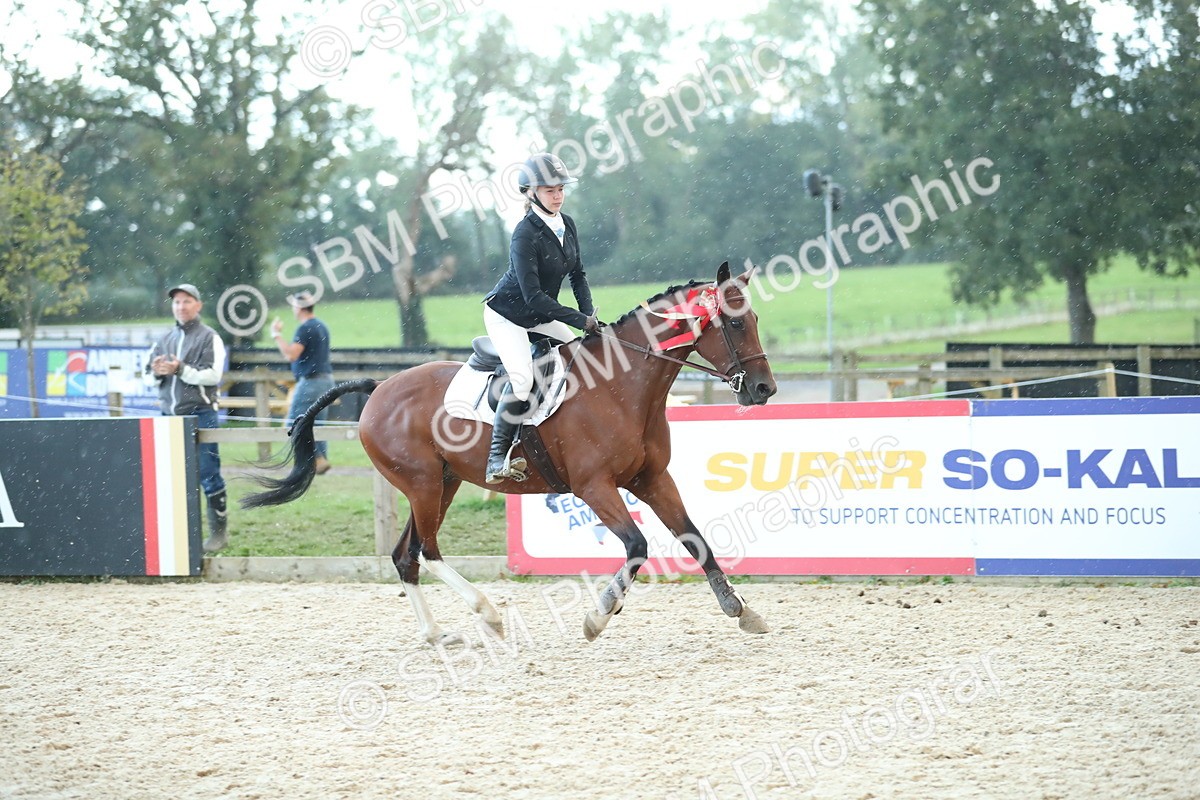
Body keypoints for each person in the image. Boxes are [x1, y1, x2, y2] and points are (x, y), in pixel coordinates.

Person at [481, 152, 603, 483]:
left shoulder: (568, 224)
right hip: (508, 315)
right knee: (522, 380)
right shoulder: (524, 233)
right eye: (550, 190)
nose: (558, 195)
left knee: (584, 357)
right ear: (531, 192)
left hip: (539, 314)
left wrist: (588, 314)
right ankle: (495, 458)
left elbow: (578, 275)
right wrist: (580, 320)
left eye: (560, 188)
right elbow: (533, 295)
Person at [144, 283, 229, 553]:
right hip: (167, 415)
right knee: (170, 477)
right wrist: (158, 371)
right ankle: (177, 535)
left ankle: (218, 534)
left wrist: (180, 369)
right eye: (177, 302)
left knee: (207, 474)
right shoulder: (163, 338)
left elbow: (214, 375)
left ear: (198, 305)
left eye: (187, 301)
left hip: (201, 414)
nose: (181, 306)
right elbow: (146, 375)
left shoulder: (209, 337)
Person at [271, 290, 334, 475]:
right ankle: (320, 460)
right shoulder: (322, 326)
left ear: (299, 308)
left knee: (294, 422)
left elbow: (291, 354)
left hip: (311, 382)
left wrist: (276, 335)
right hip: (326, 381)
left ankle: (311, 461)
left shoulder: (305, 328)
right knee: (318, 423)